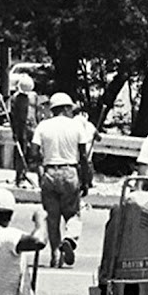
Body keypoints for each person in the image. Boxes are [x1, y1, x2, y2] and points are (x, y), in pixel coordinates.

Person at [30, 92, 92, 267]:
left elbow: (33, 152)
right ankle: (70, 239)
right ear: (65, 108)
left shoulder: (43, 126)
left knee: (52, 217)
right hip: (70, 171)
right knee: (73, 214)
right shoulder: (76, 126)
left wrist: (40, 170)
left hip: (49, 172)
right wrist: (86, 181)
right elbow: (83, 157)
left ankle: (55, 254)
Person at [9, 73, 35, 187]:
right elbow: (14, 116)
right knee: (21, 153)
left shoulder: (33, 96)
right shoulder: (16, 98)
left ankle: (29, 174)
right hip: (21, 129)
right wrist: (14, 131)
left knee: (34, 153)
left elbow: (35, 112)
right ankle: (20, 176)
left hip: (31, 126)